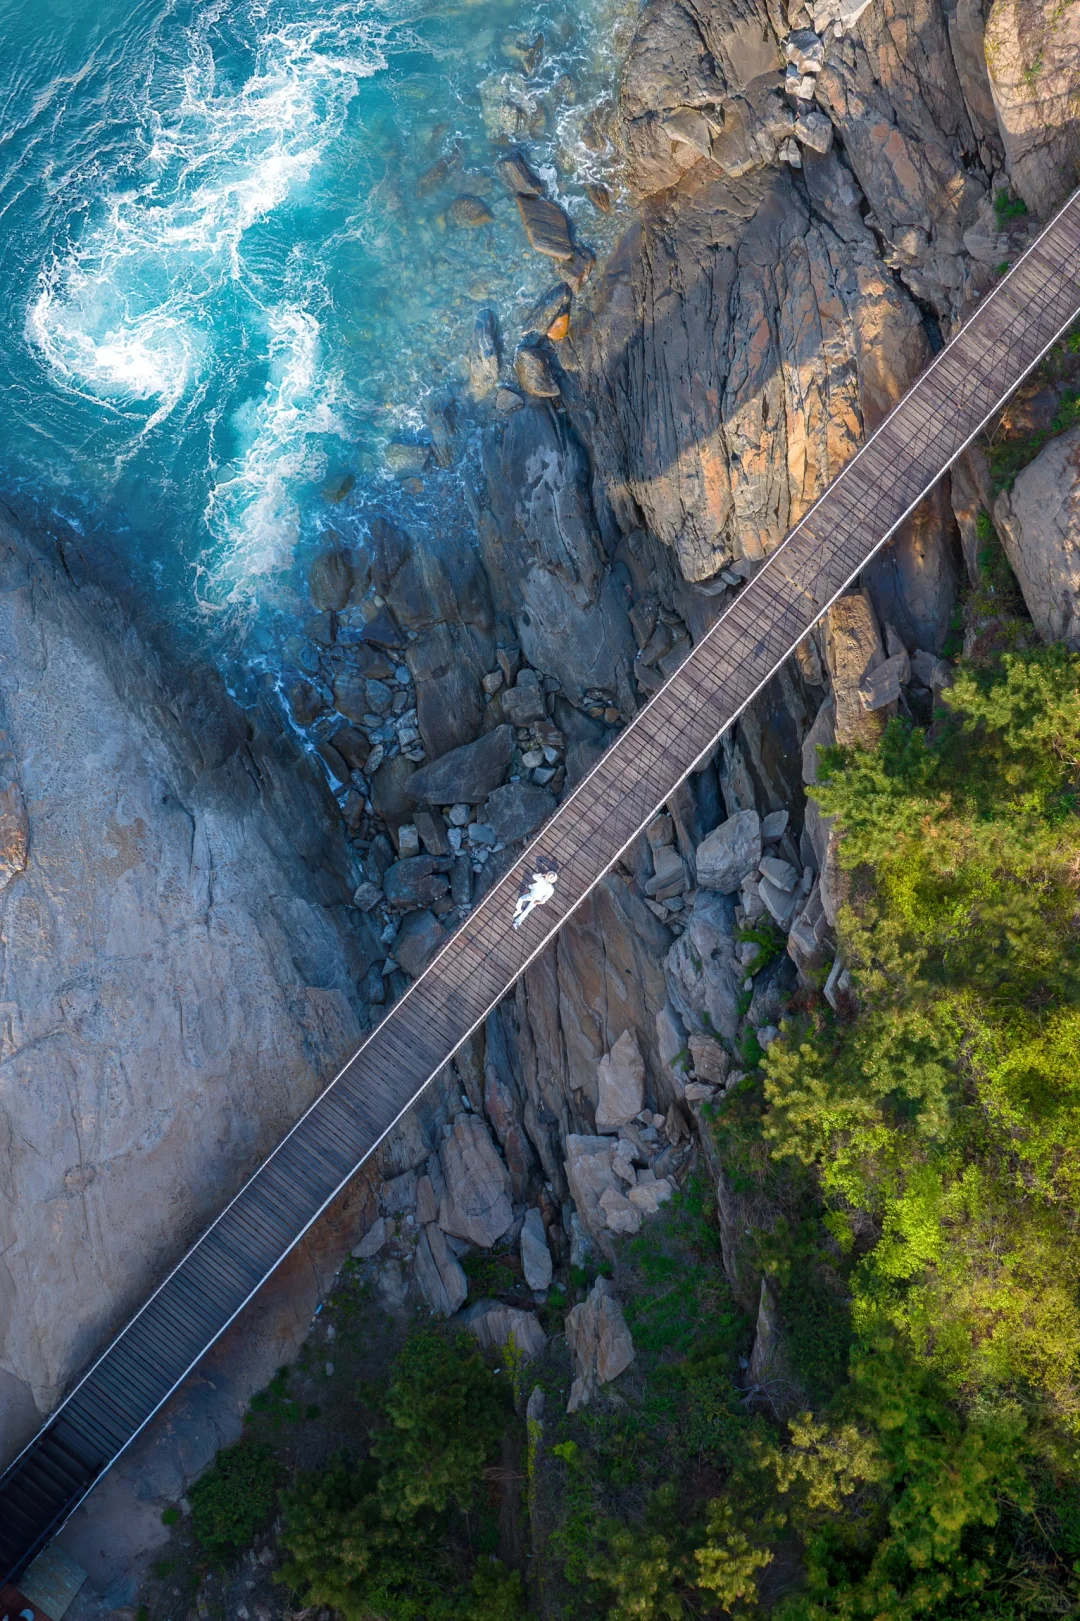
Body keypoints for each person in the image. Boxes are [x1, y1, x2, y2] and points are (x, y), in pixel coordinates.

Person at [512, 855, 559, 929]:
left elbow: (545, 898)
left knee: (526, 910)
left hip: (536, 899)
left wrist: (539, 902)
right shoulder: (546, 883)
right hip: (532, 894)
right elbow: (534, 876)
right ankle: (518, 910)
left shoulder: (550, 888)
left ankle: (517, 922)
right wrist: (543, 875)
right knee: (521, 900)